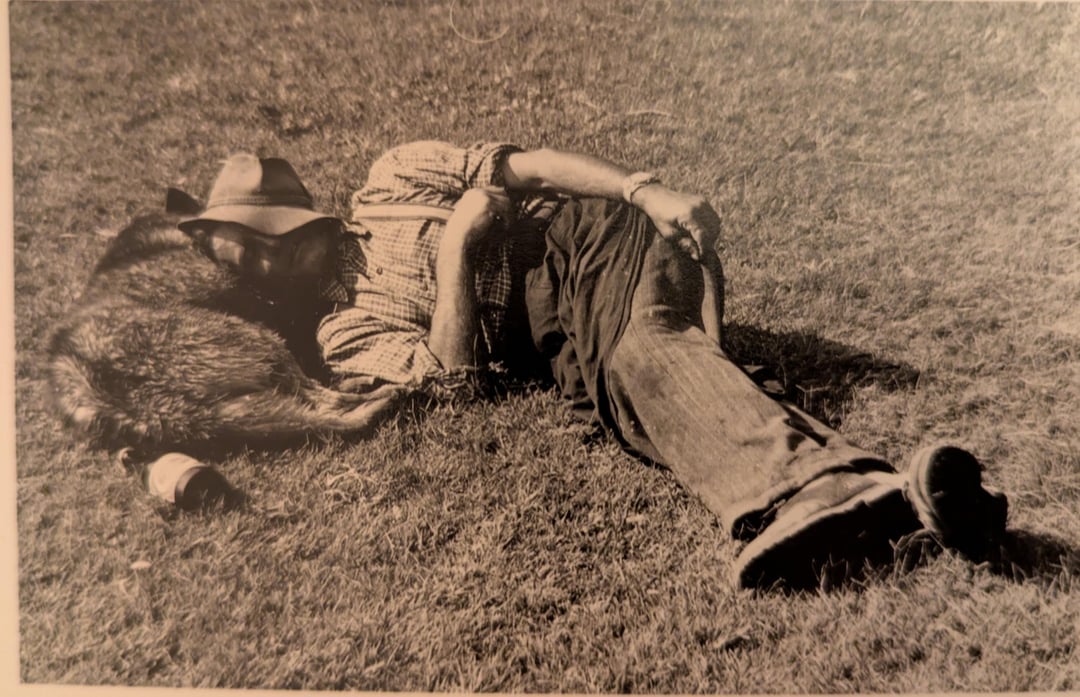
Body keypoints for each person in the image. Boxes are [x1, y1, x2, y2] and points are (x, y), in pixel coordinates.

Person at [183, 143, 1009, 590]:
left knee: (645, 353)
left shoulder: (392, 179)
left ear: (296, 224)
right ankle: (880, 499)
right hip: (549, 334)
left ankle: (810, 494)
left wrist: (646, 194)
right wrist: (461, 252)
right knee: (626, 396)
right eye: (239, 266)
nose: (255, 273)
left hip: (587, 240)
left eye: (257, 250)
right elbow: (455, 377)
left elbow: (532, 167)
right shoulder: (341, 333)